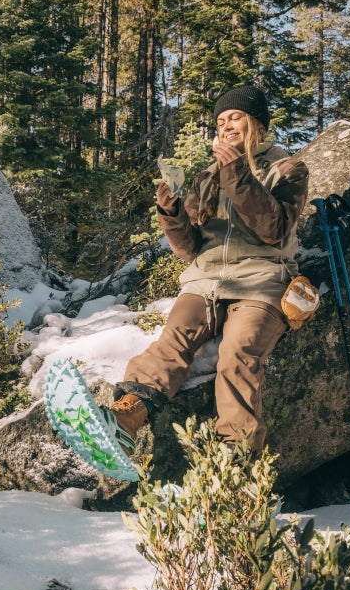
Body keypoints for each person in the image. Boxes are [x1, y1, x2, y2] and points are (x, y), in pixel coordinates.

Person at [106, 85, 310, 455]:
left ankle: (236, 456)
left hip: (262, 283)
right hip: (204, 282)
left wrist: (235, 172)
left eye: (235, 117)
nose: (226, 125)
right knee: (170, 344)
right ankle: (125, 419)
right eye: (220, 121)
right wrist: (171, 215)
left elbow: (273, 229)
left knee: (238, 354)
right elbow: (189, 249)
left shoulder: (287, 170)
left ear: (256, 123)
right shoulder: (205, 178)